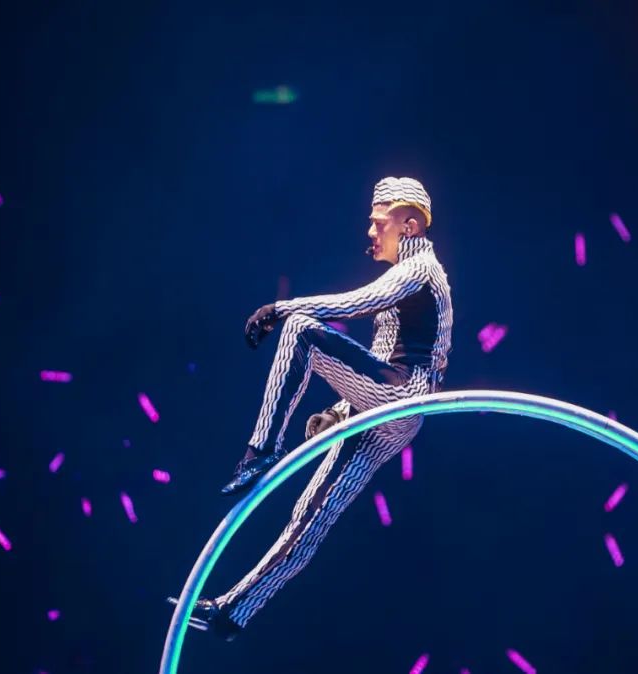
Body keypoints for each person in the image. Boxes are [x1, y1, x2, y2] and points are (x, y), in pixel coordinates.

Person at [172, 176, 453, 640]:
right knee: (311, 514)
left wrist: (280, 308)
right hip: (388, 408)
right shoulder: (407, 275)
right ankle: (234, 611)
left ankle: (262, 450)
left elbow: (359, 302)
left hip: (404, 398)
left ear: (408, 226)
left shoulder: (421, 268)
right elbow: (381, 355)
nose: (370, 232)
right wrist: (341, 411)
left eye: (378, 223)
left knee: (301, 329)